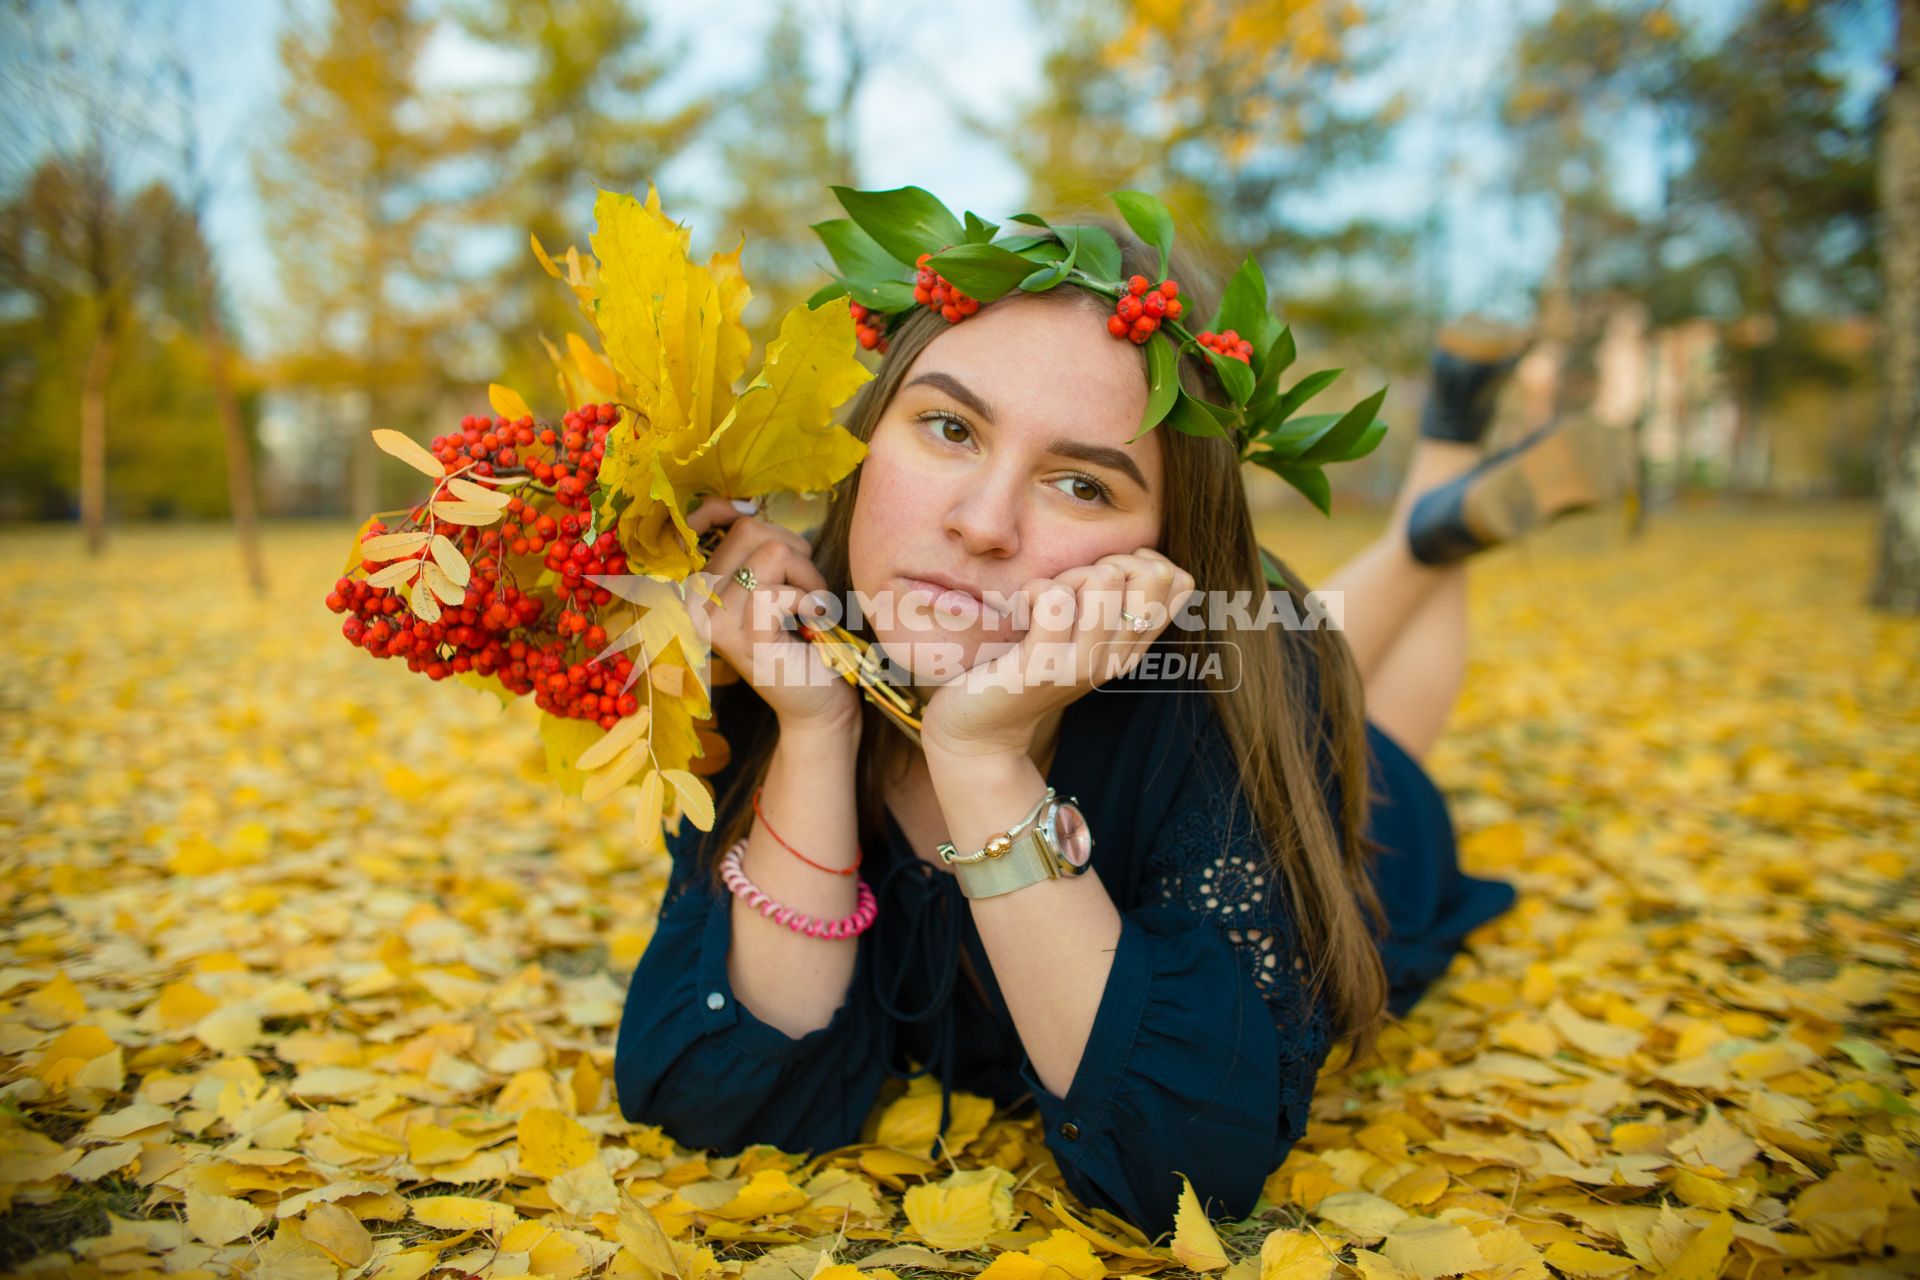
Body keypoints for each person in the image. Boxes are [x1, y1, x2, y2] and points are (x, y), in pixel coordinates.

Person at [611, 218, 1626, 1235]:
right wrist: (816, 731)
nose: (983, 522)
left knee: (1366, 713)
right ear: (864, 437)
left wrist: (982, 755)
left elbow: (1184, 1164)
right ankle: (1436, 515)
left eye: (1082, 483)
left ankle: (1440, 483)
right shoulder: (778, 645)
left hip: (1376, 835)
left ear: (1163, 553)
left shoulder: (1224, 689)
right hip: (1256, 683)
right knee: (1323, 652)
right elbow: (713, 1099)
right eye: (950, 428)